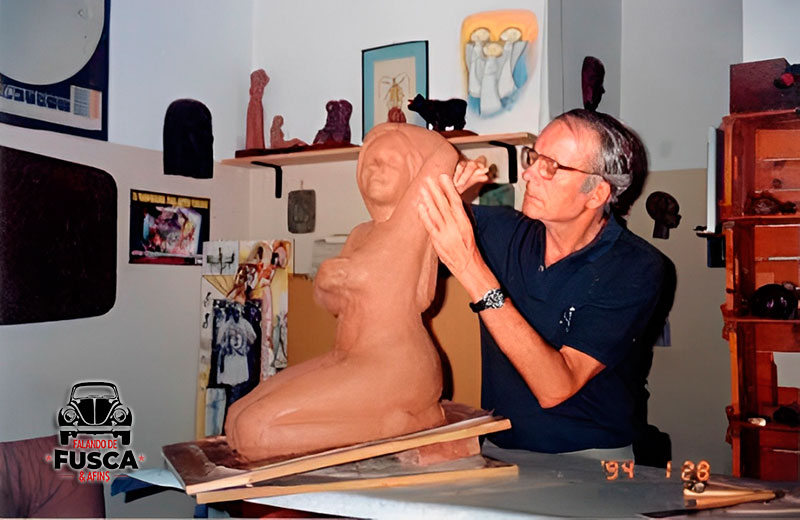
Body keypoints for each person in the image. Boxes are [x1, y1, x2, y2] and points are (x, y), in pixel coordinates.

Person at [418, 108, 669, 457]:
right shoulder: (504, 230)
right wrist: (442, 192)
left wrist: (471, 269)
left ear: (596, 193)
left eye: (551, 166)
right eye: (534, 157)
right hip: (500, 446)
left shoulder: (636, 268)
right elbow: (410, 235)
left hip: (591, 458)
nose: (529, 173)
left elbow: (556, 388)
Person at [224, 123, 457, 461]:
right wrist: (326, 282)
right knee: (235, 417)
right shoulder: (360, 234)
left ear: (411, 172)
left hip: (396, 368)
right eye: (371, 162)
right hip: (347, 358)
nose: (376, 169)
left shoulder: (411, 224)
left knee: (252, 432)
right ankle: (392, 423)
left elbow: (444, 153)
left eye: (389, 163)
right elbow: (333, 305)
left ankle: (401, 424)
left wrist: (386, 128)